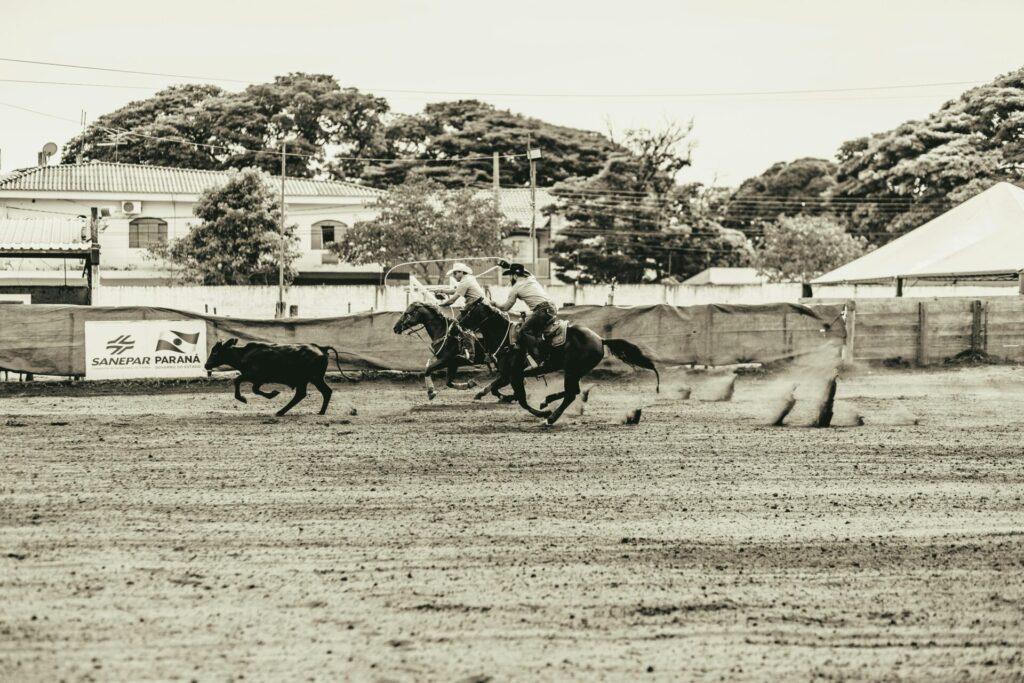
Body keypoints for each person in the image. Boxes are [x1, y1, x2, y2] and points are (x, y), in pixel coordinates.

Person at [495, 262, 557, 362]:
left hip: (542, 311)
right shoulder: (531, 278)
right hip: (552, 308)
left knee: (524, 331)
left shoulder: (515, 288)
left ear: (514, 276)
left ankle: (539, 359)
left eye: (510, 276)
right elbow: (526, 271)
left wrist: (494, 304)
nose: (510, 279)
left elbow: (506, 307)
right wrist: (509, 265)